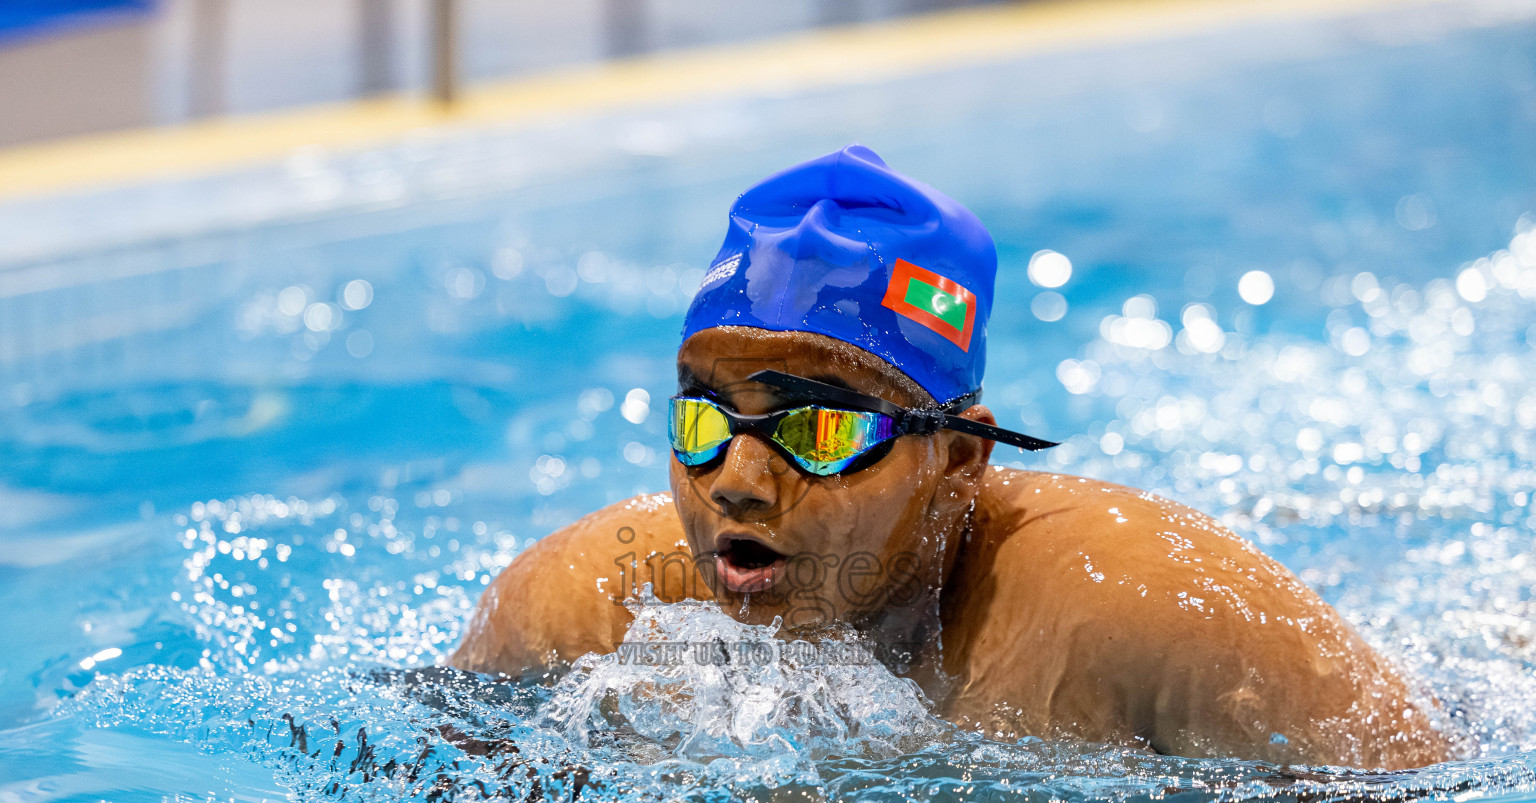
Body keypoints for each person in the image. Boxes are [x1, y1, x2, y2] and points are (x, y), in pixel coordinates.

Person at [451, 145, 1448, 769]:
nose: (738, 482)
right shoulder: (579, 610)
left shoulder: (1151, 618)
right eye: (707, 418)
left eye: (822, 427)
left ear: (960, 457)